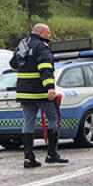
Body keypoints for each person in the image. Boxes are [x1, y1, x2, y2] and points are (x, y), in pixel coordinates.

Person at [10, 22, 67, 167]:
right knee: (54, 118)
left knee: (28, 122)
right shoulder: (41, 46)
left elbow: (13, 64)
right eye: (48, 33)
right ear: (41, 33)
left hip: (24, 92)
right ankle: (52, 154)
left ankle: (29, 158)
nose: (49, 36)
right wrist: (50, 88)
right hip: (40, 92)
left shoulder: (23, 44)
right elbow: (45, 67)